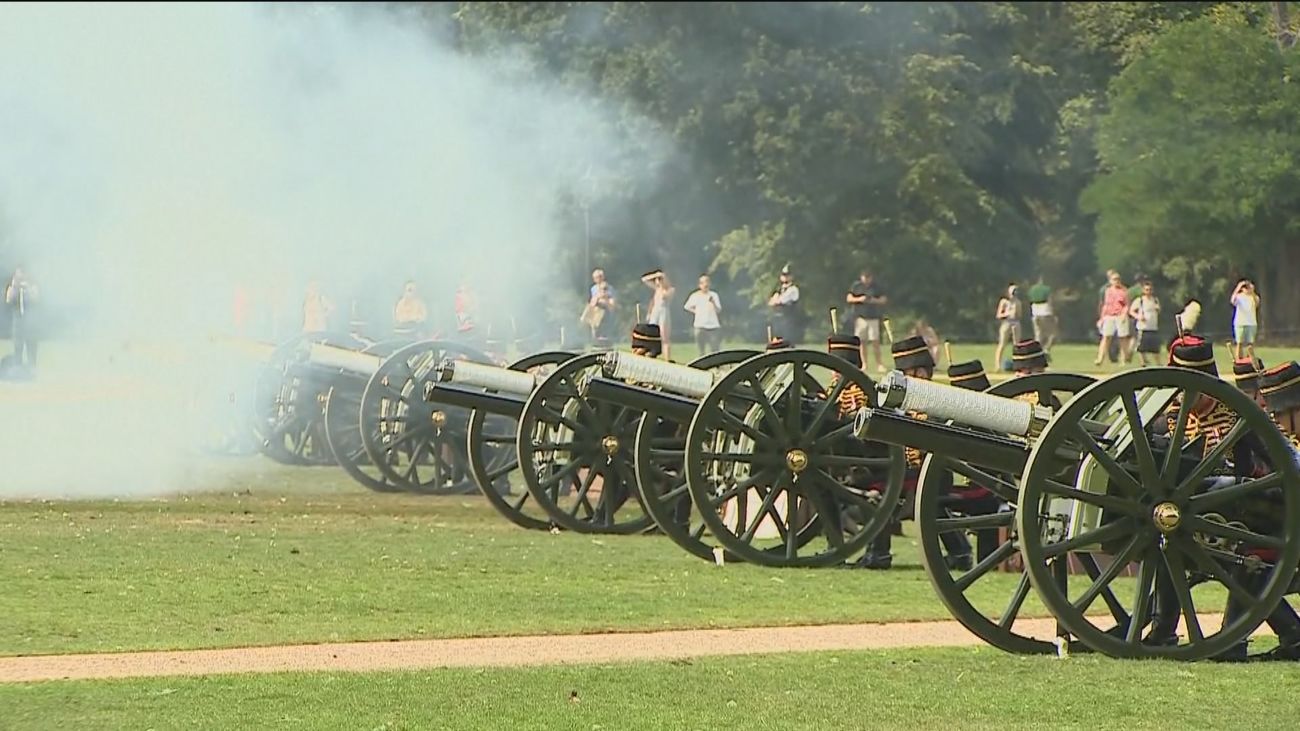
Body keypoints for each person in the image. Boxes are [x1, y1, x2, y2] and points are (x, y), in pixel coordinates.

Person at [857, 336, 972, 571]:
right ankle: (878, 551)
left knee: (885, 494)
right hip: (908, 472)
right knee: (869, 487)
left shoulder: (938, 400)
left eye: (909, 372)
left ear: (921, 373)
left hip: (933, 471)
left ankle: (879, 554)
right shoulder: (900, 403)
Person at [845, 269, 888, 373]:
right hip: (860, 318)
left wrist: (873, 300)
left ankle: (879, 364)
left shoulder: (876, 287)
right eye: (865, 277)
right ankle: (864, 364)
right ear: (861, 277)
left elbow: (884, 300)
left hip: (873, 317)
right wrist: (860, 299)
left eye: (868, 277)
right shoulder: (856, 286)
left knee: (875, 341)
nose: (866, 279)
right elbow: (849, 298)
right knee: (862, 342)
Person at [4, 266, 39, 372]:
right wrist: (15, 287)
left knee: (31, 342)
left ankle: (32, 365)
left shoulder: (32, 285)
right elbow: (8, 299)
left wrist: (27, 288)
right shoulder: (12, 287)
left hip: (30, 318)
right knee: (18, 342)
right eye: (17, 274)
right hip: (18, 318)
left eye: (22, 275)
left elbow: (36, 298)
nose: (20, 277)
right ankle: (18, 366)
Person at [1095, 270, 1131, 367]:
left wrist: (1124, 314)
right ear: (1110, 281)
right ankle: (1100, 358)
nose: (1117, 281)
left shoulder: (1124, 291)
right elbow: (1105, 305)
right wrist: (1102, 318)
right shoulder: (1108, 291)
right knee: (1106, 337)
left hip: (1120, 315)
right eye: (1114, 279)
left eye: (1118, 279)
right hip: (1109, 316)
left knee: (1122, 338)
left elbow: (1127, 304)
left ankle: (1124, 359)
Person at [683, 274, 723, 355]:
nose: (705, 284)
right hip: (700, 326)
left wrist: (713, 303)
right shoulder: (695, 295)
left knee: (715, 350)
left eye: (707, 282)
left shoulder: (714, 295)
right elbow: (686, 306)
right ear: (700, 285)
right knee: (701, 349)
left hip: (713, 326)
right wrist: (696, 311)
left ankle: (718, 366)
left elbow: (718, 310)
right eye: (703, 283)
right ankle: (701, 365)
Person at [641, 270, 675, 360]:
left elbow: (665, 296)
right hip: (655, 311)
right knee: (652, 334)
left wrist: (663, 279)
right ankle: (651, 353)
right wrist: (655, 275)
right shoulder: (657, 289)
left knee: (664, 336)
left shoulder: (670, 289)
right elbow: (644, 279)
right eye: (657, 279)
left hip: (664, 311)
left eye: (660, 279)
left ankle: (667, 358)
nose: (658, 281)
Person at [767, 264, 802, 346]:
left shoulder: (793, 289)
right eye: (784, 275)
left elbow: (780, 301)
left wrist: (776, 300)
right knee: (777, 341)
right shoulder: (779, 289)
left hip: (789, 319)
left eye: (788, 275)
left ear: (792, 277)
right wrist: (775, 300)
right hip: (779, 319)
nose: (785, 277)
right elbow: (770, 302)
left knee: (788, 342)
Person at [1128, 279, 1161, 366]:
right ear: (1143, 290)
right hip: (1143, 327)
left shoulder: (1155, 300)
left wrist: (1158, 309)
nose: (1148, 292)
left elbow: (1158, 310)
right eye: (1146, 290)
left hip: (1153, 327)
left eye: (1150, 290)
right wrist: (1138, 317)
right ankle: (1142, 363)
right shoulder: (1140, 300)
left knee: (1155, 347)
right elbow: (1131, 311)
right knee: (1141, 347)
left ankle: (1158, 363)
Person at [583, 268, 617, 348]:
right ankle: (596, 345)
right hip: (596, 312)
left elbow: (612, 304)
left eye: (600, 276)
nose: (598, 279)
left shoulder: (609, 289)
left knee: (605, 334)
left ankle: (606, 347)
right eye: (596, 277)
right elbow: (592, 302)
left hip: (606, 312)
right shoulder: (593, 289)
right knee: (595, 332)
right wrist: (598, 297)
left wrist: (605, 298)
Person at [993, 284, 1021, 372]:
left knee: (1017, 345)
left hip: (1015, 323)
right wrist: (1007, 314)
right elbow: (998, 315)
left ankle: (1018, 365)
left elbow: (1020, 315)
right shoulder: (1004, 302)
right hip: (1006, 322)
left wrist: (1016, 313)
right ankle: (997, 365)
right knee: (1002, 344)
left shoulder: (1018, 302)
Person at [1026, 276, 1057, 354]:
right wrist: (1053, 314)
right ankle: (1046, 349)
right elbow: (1050, 301)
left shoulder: (1031, 290)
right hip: (1045, 311)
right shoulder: (1047, 289)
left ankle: (1037, 351)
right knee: (1052, 333)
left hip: (1035, 312)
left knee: (1038, 334)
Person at [1231, 279, 1260, 360]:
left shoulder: (1254, 297)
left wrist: (1252, 291)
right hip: (1240, 322)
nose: (1246, 289)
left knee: (1250, 344)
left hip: (1251, 323)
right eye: (1244, 287)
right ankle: (1239, 360)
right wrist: (1238, 287)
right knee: (1239, 343)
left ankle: (1249, 360)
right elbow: (1232, 301)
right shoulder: (1239, 297)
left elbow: (1257, 303)